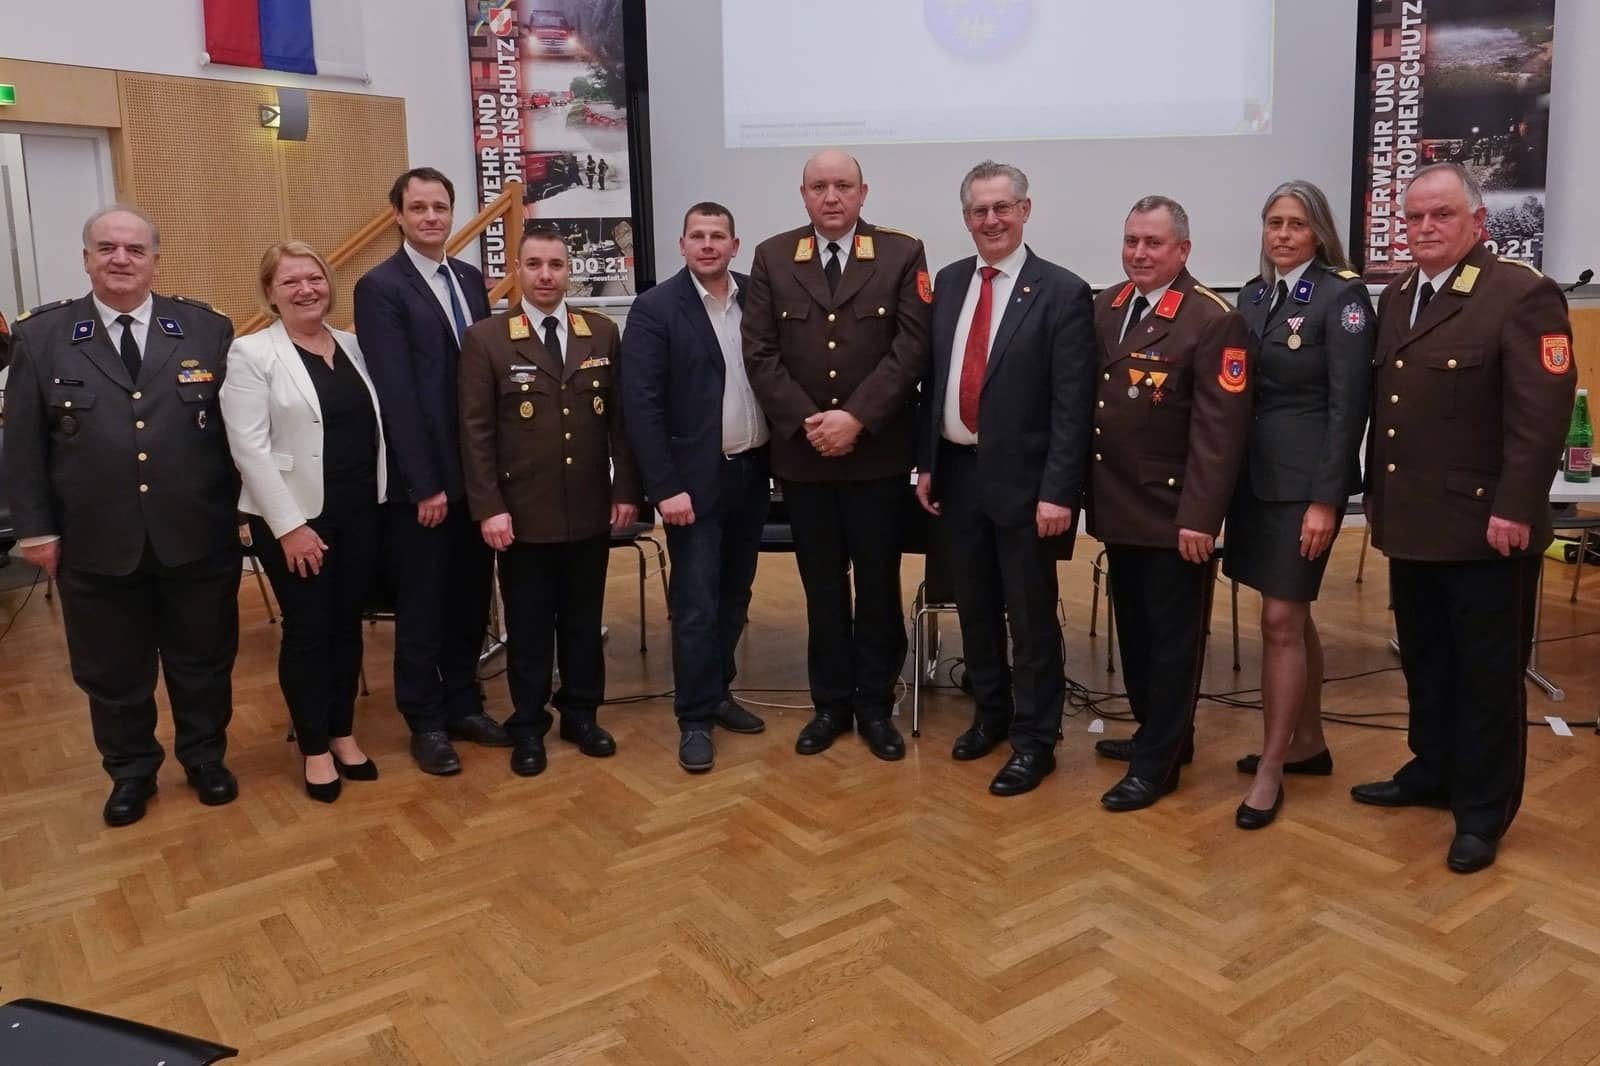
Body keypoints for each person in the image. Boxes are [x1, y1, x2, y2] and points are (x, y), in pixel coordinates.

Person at [1353, 162, 1575, 873]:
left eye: (1441, 215)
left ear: (1477, 221)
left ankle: (1482, 811)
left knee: (1486, 676)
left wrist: (1516, 506)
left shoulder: (1520, 294)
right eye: (1414, 217)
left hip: (1486, 529)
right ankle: (1433, 770)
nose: (1424, 228)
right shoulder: (1398, 296)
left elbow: (1540, 418)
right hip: (1414, 524)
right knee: (1427, 662)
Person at [3, 204, 240, 826]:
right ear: (86, 258)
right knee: (112, 671)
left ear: (155, 260)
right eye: (107, 248)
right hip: (94, 540)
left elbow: (236, 435)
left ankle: (205, 758)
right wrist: (36, 530)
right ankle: (131, 771)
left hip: (196, 535)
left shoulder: (205, 329)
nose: (121, 259)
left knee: (202, 661)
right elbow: (22, 446)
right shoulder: (43, 336)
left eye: (135, 249)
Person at [742, 149, 932, 761]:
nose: (831, 197)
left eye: (843, 186)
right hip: (805, 459)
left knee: (877, 585)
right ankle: (829, 705)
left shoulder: (901, 253)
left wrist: (856, 418)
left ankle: (875, 705)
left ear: (862, 193)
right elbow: (760, 352)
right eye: (819, 186)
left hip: (875, 456)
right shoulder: (773, 256)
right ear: (803, 195)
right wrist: (811, 423)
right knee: (821, 588)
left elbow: (911, 349)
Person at [915, 161, 1097, 796]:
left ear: (1025, 210)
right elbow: (933, 383)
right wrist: (927, 464)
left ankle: (1035, 739)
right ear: (966, 217)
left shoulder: (1063, 291)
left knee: (1030, 617)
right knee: (973, 608)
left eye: (1002, 208)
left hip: (1028, 486)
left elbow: (1073, 406)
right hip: (958, 475)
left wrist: (1059, 493)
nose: (991, 220)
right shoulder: (948, 281)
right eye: (979, 210)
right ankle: (990, 714)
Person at [1086, 195, 1253, 812]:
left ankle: (1157, 766)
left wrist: (1201, 518)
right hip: (1117, 504)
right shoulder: (1107, 305)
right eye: (1131, 240)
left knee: (1172, 642)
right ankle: (1161, 735)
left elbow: (1220, 432)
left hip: (1174, 513)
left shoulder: (1212, 319)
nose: (1139, 253)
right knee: (1134, 632)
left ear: (1182, 250)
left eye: (1153, 243)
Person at [458, 226, 642, 776]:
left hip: (588, 508)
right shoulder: (488, 339)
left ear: (570, 271)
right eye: (534, 265)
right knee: (531, 627)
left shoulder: (601, 332)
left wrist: (626, 490)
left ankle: (582, 715)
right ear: (517, 270)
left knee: (584, 621)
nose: (545, 276)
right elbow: (475, 433)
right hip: (522, 514)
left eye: (556, 265)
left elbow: (621, 423)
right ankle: (528, 724)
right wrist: (489, 507)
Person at [1225, 181, 1375, 829]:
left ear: (1318, 232)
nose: (1282, 235)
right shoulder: (1254, 296)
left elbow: (1349, 407)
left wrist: (1327, 499)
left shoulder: (1342, 297)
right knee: (1291, 614)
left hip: (1303, 488)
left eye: (1296, 223)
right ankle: (1308, 742)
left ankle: (1271, 766)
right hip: (1255, 483)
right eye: (1273, 223)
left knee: (1280, 620)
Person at [353, 166, 507, 776]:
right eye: (418, 207)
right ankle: (425, 720)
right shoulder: (379, 287)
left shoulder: (468, 278)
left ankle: (465, 703)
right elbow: (395, 394)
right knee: (422, 607)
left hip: (476, 479)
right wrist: (425, 484)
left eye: (440, 206)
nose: (431, 217)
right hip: (426, 486)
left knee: (471, 599)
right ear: (397, 215)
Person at [220, 241, 386, 803]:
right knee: (310, 630)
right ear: (270, 293)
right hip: (295, 520)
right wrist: (289, 527)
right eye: (290, 281)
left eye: (313, 278)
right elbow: (248, 448)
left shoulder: (354, 345)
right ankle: (314, 747)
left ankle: (342, 732)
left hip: (360, 511)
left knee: (347, 626)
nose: (306, 289)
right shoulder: (252, 353)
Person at [621, 203, 771, 773]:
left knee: (735, 595)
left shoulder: (758, 297)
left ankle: (718, 691)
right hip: (691, 484)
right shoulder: (656, 308)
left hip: (752, 474)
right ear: (681, 245)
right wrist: (665, 488)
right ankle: (694, 718)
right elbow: (642, 406)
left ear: (735, 245)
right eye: (698, 236)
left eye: (718, 236)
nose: (708, 245)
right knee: (695, 605)